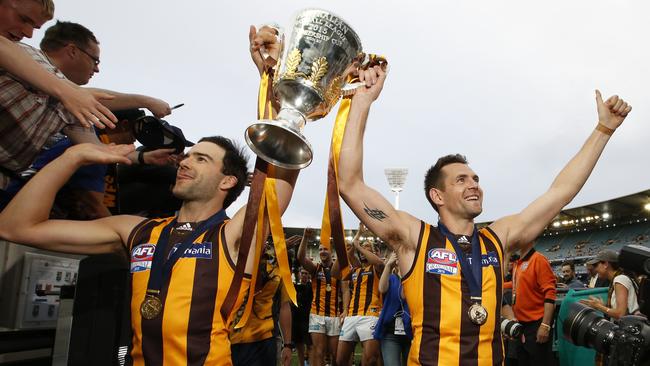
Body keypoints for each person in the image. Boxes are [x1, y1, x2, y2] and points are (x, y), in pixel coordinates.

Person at [336, 63, 632, 365]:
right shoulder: (416, 237)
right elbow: (350, 184)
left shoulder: (497, 238)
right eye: (461, 180)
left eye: (476, 179)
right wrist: (362, 101)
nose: (474, 185)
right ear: (437, 195)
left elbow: (559, 193)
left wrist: (603, 130)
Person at [0, 21, 174, 216]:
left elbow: (95, 149)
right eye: (95, 60)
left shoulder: (71, 107)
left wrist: (142, 157)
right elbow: (79, 93)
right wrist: (145, 100)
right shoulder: (27, 55)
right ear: (73, 51)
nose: (97, 69)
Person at [0, 0, 117, 129]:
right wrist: (65, 92)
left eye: (34, 27)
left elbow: (82, 94)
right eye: (23, 19)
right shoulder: (27, 54)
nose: (28, 34)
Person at [229, 235, 302, 366]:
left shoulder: (280, 269)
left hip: (264, 339)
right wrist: (276, 251)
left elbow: (284, 306)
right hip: (231, 338)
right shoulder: (236, 260)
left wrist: (288, 344)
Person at [334, 225, 383, 366]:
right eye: (363, 248)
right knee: (340, 360)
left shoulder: (378, 267)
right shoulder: (355, 270)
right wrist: (357, 239)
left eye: (368, 248)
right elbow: (336, 273)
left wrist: (359, 246)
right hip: (350, 316)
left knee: (370, 359)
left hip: (370, 315)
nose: (364, 250)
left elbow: (379, 262)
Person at [297, 228, 342, 366]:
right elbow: (300, 258)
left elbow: (345, 291)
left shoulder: (338, 268)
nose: (322, 251)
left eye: (326, 249)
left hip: (334, 315)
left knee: (335, 355)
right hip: (317, 315)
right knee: (318, 352)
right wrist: (305, 237)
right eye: (320, 249)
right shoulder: (315, 269)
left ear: (331, 251)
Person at [511, 242, 557, 366]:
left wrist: (545, 325)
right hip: (522, 325)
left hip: (536, 324)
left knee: (539, 361)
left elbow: (550, 293)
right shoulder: (517, 262)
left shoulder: (538, 259)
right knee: (523, 360)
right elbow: (519, 284)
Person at [374, 251, 412, 366]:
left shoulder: (414, 278)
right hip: (390, 333)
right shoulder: (391, 278)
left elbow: (404, 295)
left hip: (411, 331)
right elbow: (381, 288)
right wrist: (388, 265)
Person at [581, 250, 640, 319]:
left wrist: (599, 306)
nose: (595, 269)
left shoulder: (620, 279)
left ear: (605, 264)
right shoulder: (618, 278)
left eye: (596, 265)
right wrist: (603, 306)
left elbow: (620, 314)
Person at [292, 267, 314, 366]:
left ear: (309, 275)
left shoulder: (311, 286)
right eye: (303, 273)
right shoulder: (295, 286)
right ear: (299, 274)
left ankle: (309, 363)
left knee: (310, 345)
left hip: (308, 319)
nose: (304, 275)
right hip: (296, 320)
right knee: (299, 346)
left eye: (306, 273)